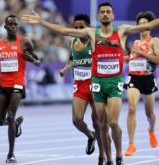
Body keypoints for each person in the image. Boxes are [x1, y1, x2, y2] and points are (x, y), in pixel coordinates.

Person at [21, 2, 159, 165]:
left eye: (108, 11)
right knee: (102, 124)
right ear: (98, 16)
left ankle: (119, 155)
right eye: (103, 12)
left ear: (113, 16)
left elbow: (147, 26)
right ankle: (108, 159)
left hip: (114, 82)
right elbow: (64, 31)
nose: (106, 14)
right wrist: (42, 22)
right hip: (98, 83)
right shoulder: (92, 33)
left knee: (114, 122)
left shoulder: (122, 31)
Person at [0, 15, 41, 163]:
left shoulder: (25, 42)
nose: (13, 27)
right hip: (3, 85)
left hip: (17, 84)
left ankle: (11, 154)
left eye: (16, 25)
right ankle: (15, 124)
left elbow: (39, 62)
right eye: (10, 25)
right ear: (5, 27)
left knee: (10, 116)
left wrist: (32, 60)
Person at [59, 14, 105, 165]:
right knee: (76, 120)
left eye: (82, 27)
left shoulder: (95, 40)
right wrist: (65, 69)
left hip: (95, 83)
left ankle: (102, 156)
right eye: (76, 27)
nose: (78, 30)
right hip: (79, 84)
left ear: (89, 27)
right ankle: (90, 136)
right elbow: (72, 58)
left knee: (97, 122)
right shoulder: (73, 41)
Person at [123, 11, 159, 156]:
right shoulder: (135, 43)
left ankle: (151, 130)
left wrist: (141, 52)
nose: (141, 26)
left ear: (150, 26)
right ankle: (131, 144)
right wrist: (129, 59)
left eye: (144, 24)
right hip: (134, 78)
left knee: (149, 113)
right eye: (139, 24)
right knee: (132, 108)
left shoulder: (154, 41)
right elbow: (136, 58)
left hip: (147, 79)